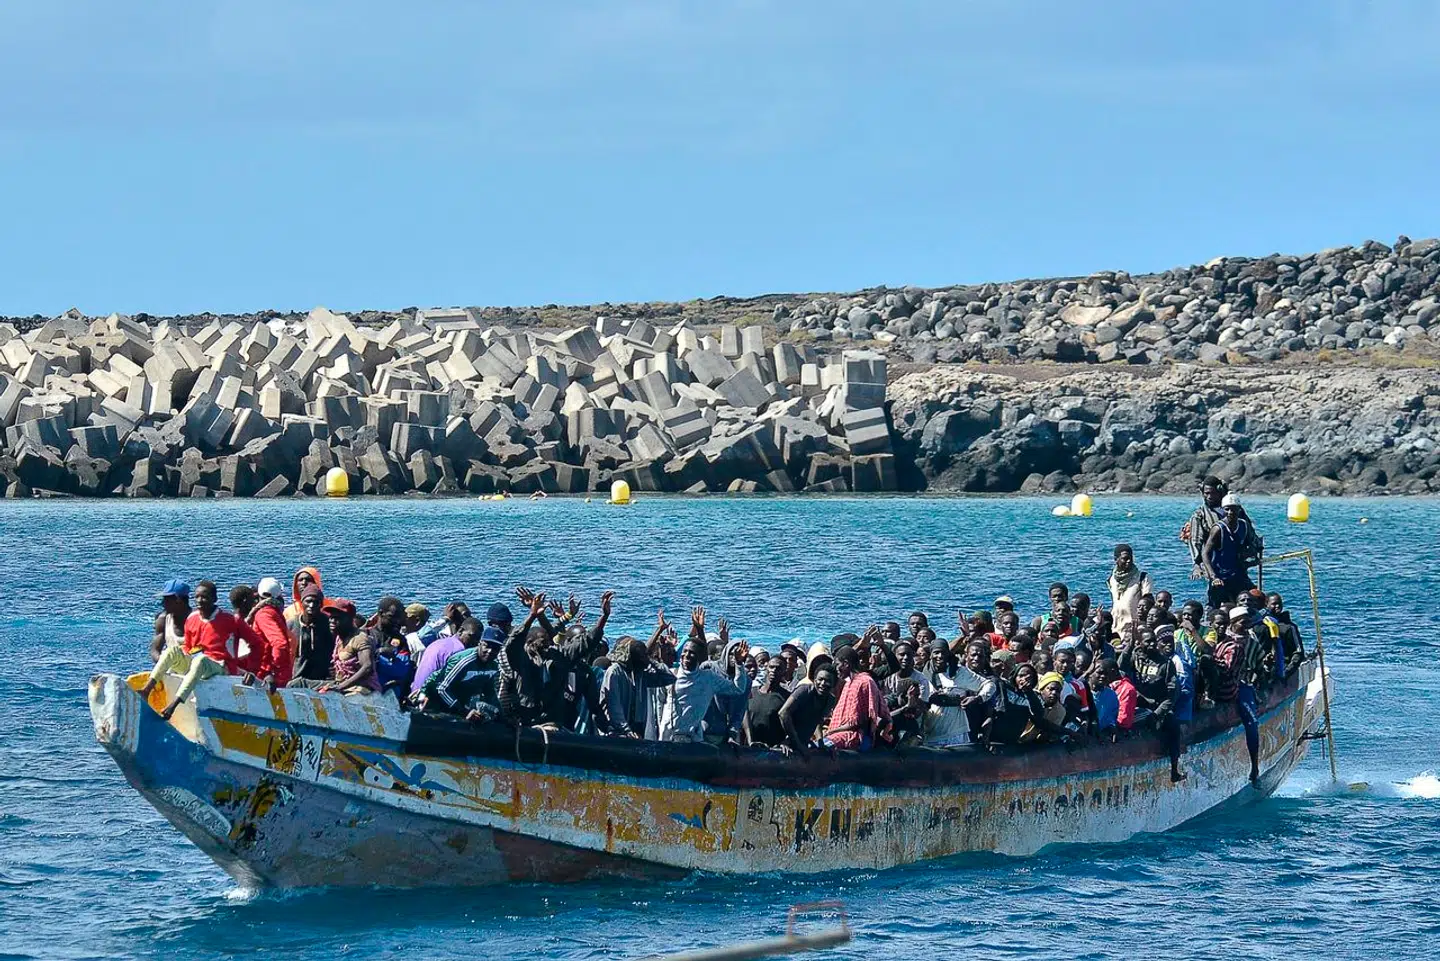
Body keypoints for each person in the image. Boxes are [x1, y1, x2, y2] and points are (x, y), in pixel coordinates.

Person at [140, 580, 261, 720]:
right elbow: (189, 648)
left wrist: (252, 670)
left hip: (221, 666)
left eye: (204, 597)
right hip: (198, 664)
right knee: (171, 651)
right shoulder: (192, 619)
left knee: (201, 660)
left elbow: (257, 644)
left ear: (214, 599)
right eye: (197, 597)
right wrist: (179, 658)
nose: (199, 600)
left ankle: (174, 705)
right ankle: (146, 690)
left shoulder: (231, 620)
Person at [659, 630, 743, 744]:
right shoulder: (670, 675)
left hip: (693, 740)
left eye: (692, 652)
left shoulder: (708, 678)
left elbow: (738, 689)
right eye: (685, 651)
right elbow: (659, 705)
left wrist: (739, 664)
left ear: (699, 657)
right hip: (668, 738)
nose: (686, 655)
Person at [600, 626, 677, 738]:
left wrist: (650, 660)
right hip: (617, 732)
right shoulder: (615, 672)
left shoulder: (641, 674)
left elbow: (669, 677)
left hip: (637, 730)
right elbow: (614, 706)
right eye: (641, 658)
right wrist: (626, 730)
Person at [1214, 604, 1262, 783]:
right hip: (1225, 684)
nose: (1247, 624)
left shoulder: (1252, 641)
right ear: (1233, 623)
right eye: (1243, 621)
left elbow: (1259, 666)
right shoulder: (1223, 639)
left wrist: (1253, 681)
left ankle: (1254, 765)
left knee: (1251, 721)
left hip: (1243, 685)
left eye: (1248, 621)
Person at [1183, 477, 1262, 583]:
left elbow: (1250, 534)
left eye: (1213, 493)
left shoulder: (1236, 511)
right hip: (1215, 565)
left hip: (1237, 563)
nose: (1209, 497)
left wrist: (1254, 550)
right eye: (1206, 493)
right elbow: (1195, 540)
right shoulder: (1200, 515)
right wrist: (1197, 564)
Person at [1130, 629, 1185, 781]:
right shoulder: (1135, 657)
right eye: (1147, 641)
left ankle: (1174, 770)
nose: (1152, 644)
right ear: (1140, 643)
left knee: (1174, 727)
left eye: (1154, 641)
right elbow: (1120, 668)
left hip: (1156, 708)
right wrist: (1130, 645)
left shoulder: (1166, 664)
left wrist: (1158, 714)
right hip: (1136, 705)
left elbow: (1172, 695)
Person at [421, 618, 503, 719]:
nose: (490, 651)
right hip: (434, 694)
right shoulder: (465, 661)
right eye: (487, 646)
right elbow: (442, 688)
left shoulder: (493, 666)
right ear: (480, 643)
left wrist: (501, 716)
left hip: (457, 698)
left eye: (495, 648)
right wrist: (464, 712)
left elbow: (489, 693)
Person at [820, 646, 891, 751]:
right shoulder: (849, 683)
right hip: (841, 732)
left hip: (857, 736)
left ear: (846, 664)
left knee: (822, 747)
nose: (836, 669)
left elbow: (859, 722)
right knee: (817, 745)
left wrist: (832, 731)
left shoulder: (864, 682)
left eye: (837, 664)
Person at [1201, 493, 1262, 607]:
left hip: (1238, 573)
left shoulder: (1244, 526)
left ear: (1239, 510)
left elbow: (1252, 545)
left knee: (1256, 597)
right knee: (1219, 605)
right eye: (1227, 509)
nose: (1230, 512)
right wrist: (1213, 576)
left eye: (1233, 509)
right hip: (1221, 575)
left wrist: (1249, 554)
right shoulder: (1218, 529)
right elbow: (1205, 553)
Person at [246, 577, 297, 688]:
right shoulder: (274, 612)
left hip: (268, 678)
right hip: (277, 675)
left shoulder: (264, 614)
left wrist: (272, 672)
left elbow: (280, 644)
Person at [779, 663, 838, 754]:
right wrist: (798, 744)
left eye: (828, 681)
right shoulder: (804, 691)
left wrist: (821, 743)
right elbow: (783, 713)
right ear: (814, 680)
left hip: (804, 743)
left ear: (834, 684)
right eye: (820, 679)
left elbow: (818, 721)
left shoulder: (830, 700)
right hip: (785, 741)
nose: (823, 683)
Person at [286, 585, 334, 683]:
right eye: (308, 601)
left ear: (321, 604)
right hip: (297, 678)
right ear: (302, 602)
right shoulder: (291, 625)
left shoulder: (328, 625)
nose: (311, 605)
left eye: (316, 602)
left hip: (323, 679)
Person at [1107, 544, 1155, 642]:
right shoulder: (1112, 579)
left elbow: (1148, 602)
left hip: (1133, 630)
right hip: (1116, 629)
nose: (1128, 561)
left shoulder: (1142, 578)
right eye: (1125, 559)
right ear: (1116, 559)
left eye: (1130, 558)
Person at [743, 659, 792, 749]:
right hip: (749, 748)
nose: (774, 670)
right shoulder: (750, 692)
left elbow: (796, 725)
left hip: (773, 750)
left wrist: (786, 742)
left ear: (784, 672)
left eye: (778, 668)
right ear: (766, 668)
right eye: (771, 667)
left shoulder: (787, 697)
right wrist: (750, 741)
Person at [150, 579, 191, 663]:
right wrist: (166, 663)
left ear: (178, 600)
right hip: (172, 665)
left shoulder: (198, 619)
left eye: (166, 600)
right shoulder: (163, 620)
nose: (162, 603)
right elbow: (155, 651)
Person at [1267, 592, 1306, 675]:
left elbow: (1298, 652)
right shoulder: (1263, 625)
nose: (1277, 606)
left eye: (1279, 604)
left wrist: (1286, 671)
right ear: (1266, 605)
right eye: (1274, 604)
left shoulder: (1289, 627)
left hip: (1284, 670)